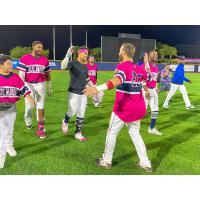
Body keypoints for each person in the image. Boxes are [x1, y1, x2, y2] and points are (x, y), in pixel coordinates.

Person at [83, 43, 152, 172]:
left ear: (124, 52)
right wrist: (146, 63)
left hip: (123, 108)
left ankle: (106, 160)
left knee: (112, 132)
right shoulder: (139, 68)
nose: (119, 51)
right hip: (138, 107)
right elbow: (148, 77)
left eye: (120, 49)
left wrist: (96, 89)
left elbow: (116, 81)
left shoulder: (122, 66)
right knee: (135, 134)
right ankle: (146, 163)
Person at [0, 54, 35, 169]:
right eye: (8, 63)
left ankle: (9, 146)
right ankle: (1, 157)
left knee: (10, 129)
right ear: (1, 65)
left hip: (11, 107)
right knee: (2, 132)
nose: (11, 65)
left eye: (11, 63)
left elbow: (23, 89)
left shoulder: (15, 77)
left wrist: (31, 100)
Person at [16, 41, 52, 139]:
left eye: (42, 48)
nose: (41, 49)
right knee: (29, 107)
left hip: (40, 84)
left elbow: (47, 74)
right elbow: (21, 75)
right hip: (28, 84)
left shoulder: (44, 60)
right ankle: (28, 121)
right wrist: (23, 88)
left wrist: (49, 86)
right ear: (33, 47)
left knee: (41, 106)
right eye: (38, 47)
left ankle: (41, 128)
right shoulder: (24, 58)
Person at [61, 46, 93, 141]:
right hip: (73, 92)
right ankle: (65, 121)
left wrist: (94, 87)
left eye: (87, 54)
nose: (86, 56)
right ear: (80, 53)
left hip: (84, 92)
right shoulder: (73, 63)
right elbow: (63, 67)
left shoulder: (85, 66)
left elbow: (87, 79)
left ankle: (78, 133)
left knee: (81, 113)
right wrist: (68, 54)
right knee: (72, 112)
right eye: (85, 53)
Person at [143, 50, 162, 136]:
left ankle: (151, 128)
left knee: (155, 109)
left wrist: (156, 87)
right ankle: (125, 119)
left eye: (156, 54)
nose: (156, 55)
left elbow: (154, 80)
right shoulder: (145, 65)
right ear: (149, 56)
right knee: (141, 110)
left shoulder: (156, 67)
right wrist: (146, 91)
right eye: (153, 54)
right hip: (144, 90)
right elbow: (142, 79)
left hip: (152, 90)